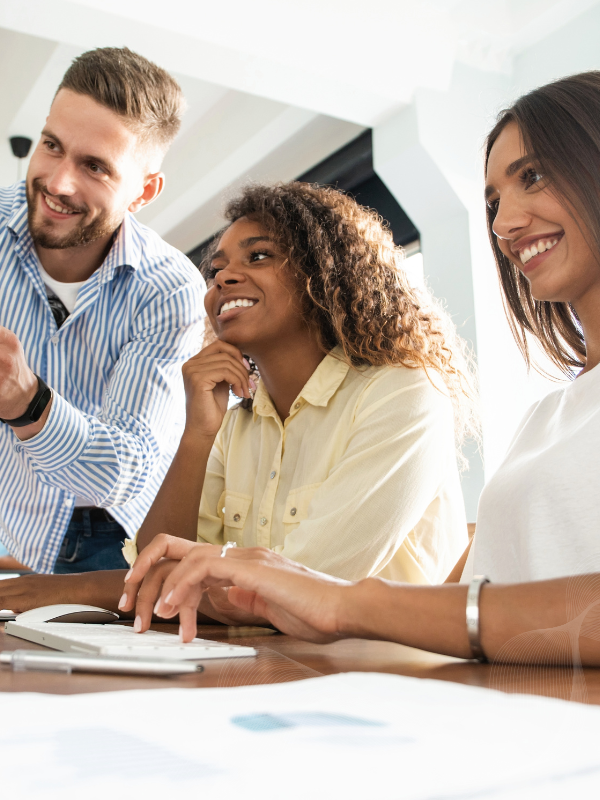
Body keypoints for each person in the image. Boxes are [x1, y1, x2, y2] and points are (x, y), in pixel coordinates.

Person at [117, 71, 600, 666]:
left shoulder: (403, 394)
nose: (502, 224)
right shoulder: (547, 418)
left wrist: (343, 602)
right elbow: (477, 596)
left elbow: (309, 592)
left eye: (533, 176)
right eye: (494, 202)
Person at [0, 182, 475, 617]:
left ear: (326, 272)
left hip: (380, 674)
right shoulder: (234, 424)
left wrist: (66, 589)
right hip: (256, 665)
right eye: (217, 269)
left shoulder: (404, 394)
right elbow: (155, 567)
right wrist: (197, 433)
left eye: (258, 256)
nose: (224, 278)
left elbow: (301, 591)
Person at [0, 47, 204, 574]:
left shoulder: (170, 289)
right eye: (52, 146)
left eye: (94, 167)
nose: (58, 183)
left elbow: (124, 471)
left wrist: (26, 401)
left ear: (144, 191)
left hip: (106, 539)